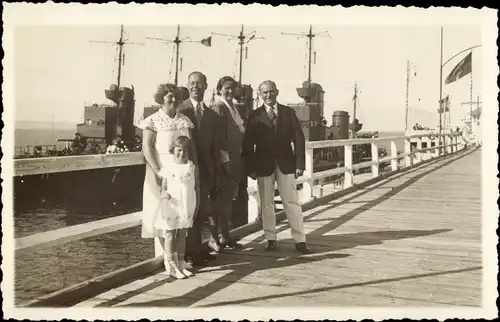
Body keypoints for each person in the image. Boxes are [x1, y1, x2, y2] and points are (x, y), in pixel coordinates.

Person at [242, 80, 311, 254]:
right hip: (263, 165)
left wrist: (300, 164)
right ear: (260, 94)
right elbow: (248, 143)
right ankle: (270, 238)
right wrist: (250, 168)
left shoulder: (288, 113)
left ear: (277, 92)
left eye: (271, 91)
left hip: (286, 163)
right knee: (266, 203)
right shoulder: (255, 115)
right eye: (264, 92)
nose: (268, 95)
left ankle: (300, 240)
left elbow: (299, 139)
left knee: (291, 202)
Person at [136, 83, 198, 276]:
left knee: (180, 214)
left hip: (181, 173)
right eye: (169, 96)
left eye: (176, 97)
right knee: (162, 216)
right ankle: (167, 261)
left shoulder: (184, 120)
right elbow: (147, 148)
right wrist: (157, 171)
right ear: (161, 98)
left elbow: (189, 147)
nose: (173, 100)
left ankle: (178, 260)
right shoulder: (153, 120)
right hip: (161, 172)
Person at [178, 71, 222, 266]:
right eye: (191, 83)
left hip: (206, 170)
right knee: (188, 209)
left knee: (202, 211)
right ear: (188, 86)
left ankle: (198, 249)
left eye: (199, 83)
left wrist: (215, 169)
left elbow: (215, 145)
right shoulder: (181, 110)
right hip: (187, 169)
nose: (195, 86)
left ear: (206, 86)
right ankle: (188, 251)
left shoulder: (212, 115)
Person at [211, 76, 245, 251]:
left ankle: (225, 236)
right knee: (220, 200)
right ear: (219, 89)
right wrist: (226, 161)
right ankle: (215, 238)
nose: (230, 91)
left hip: (236, 158)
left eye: (233, 88)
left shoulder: (233, 107)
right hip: (226, 161)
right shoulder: (219, 107)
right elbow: (218, 138)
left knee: (227, 200)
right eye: (226, 88)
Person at [158, 136, 197, 279]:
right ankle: (172, 266)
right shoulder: (169, 166)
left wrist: (194, 204)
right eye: (178, 150)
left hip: (186, 203)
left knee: (182, 234)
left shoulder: (191, 166)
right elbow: (163, 187)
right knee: (169, 234)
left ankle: (181, 263)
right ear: (172, 150)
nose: (182, 154)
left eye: (185, 151)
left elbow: (193, 187)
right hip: (172, 203)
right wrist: (165, 194)